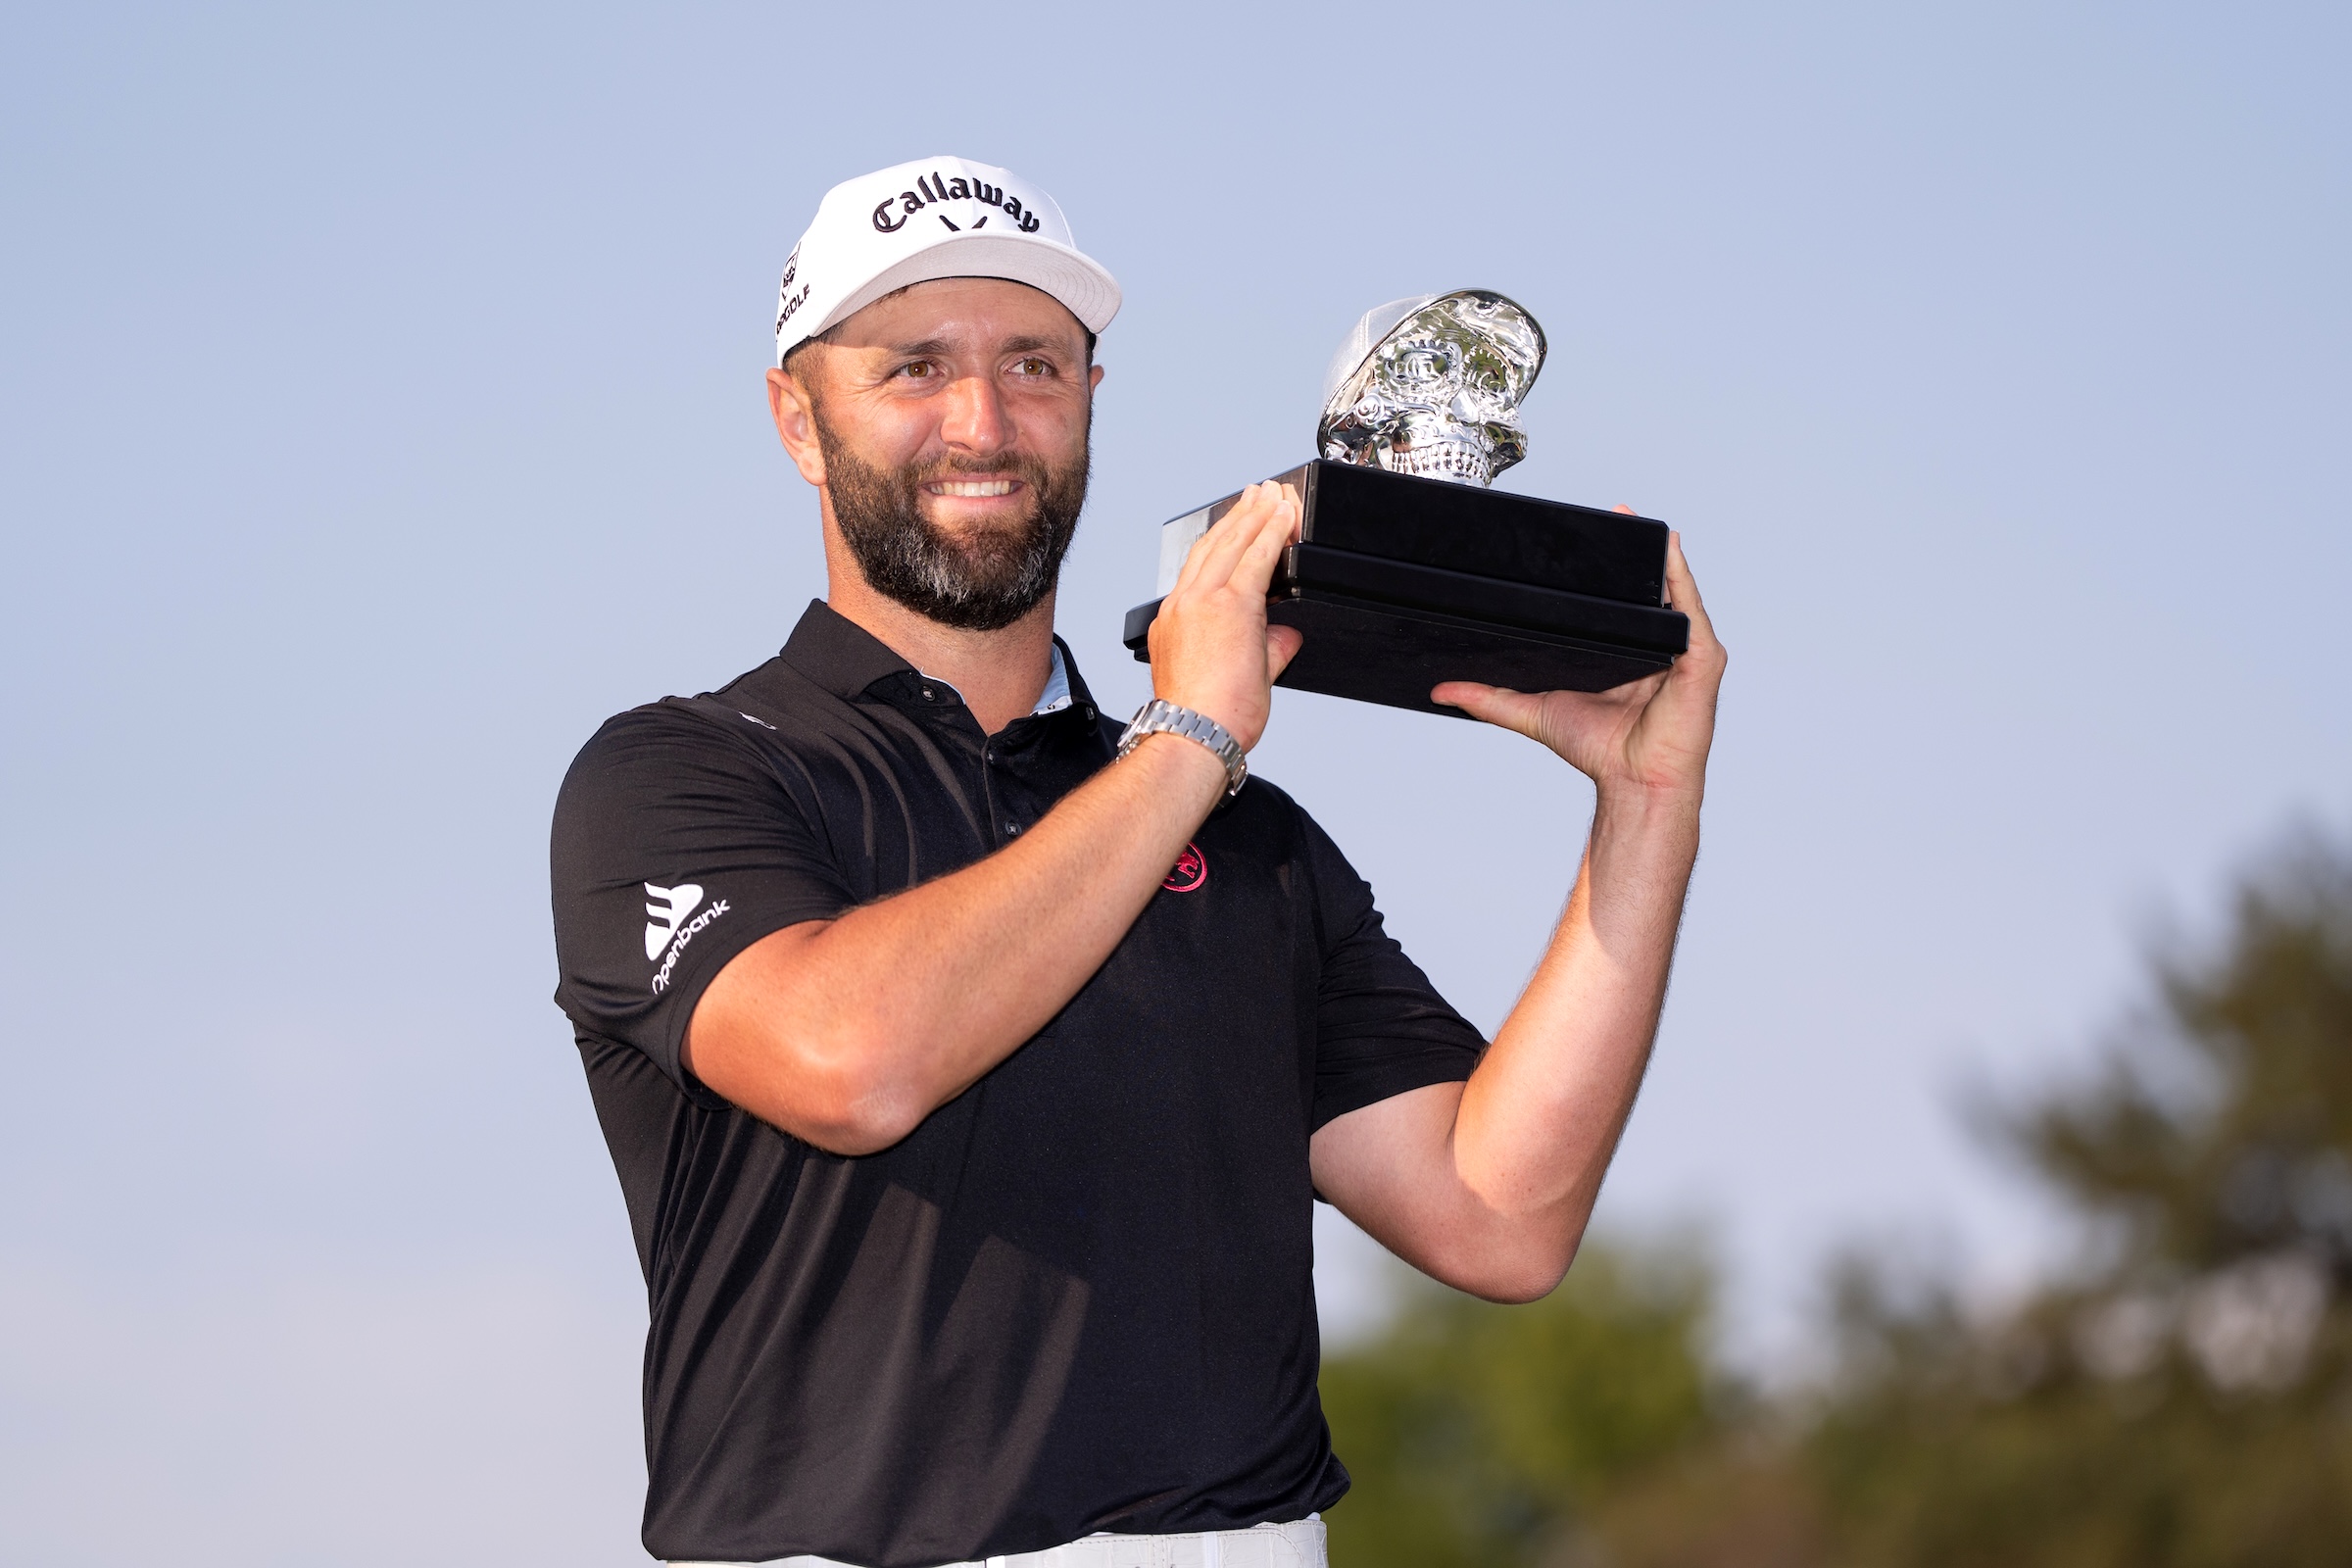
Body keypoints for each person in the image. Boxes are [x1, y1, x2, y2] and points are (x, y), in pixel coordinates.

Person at [550, 155, 1725, 1568]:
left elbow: (1502, 1218)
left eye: (1034, 364)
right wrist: (1185, 741)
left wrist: (1648, 809)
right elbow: (851, 1064)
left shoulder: (1242, 838)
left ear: (1091, 403)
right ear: (799, 417)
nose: (982, 421)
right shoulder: (686, 772)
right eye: (914, 366)